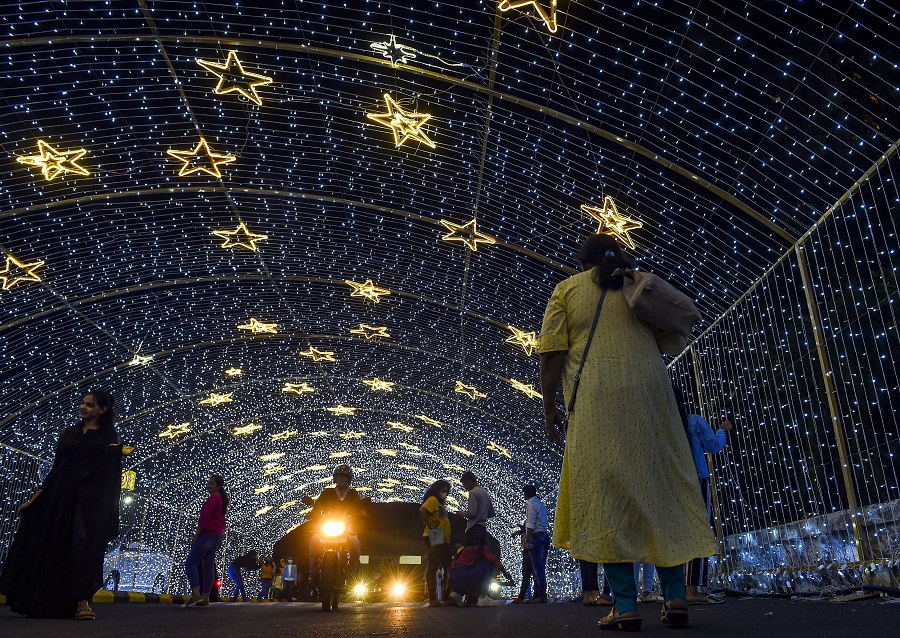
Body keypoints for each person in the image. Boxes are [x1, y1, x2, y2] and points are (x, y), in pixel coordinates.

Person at [539, 234, 717, 631]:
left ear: (581, 262)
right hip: (653, 405)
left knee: (605, 499)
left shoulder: (567, 291)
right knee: (662, 491)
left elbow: (552, 355)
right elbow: (672, 341)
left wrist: (549, 407)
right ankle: (674, 596)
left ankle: (625, 604)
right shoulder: (638, 287)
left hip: (595, 406)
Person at [0, 391, 122, 620]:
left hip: (88, 502)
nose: (83, 407)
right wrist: (34, 501)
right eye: (82, 403)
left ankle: (82, 602)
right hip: (59, 497)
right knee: (53, 544)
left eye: (89, 404)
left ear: (102, 410)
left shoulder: (109, 439)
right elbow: (55, 470)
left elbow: (111, 478)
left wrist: (108, 510)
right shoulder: (69, 434)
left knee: (82, 546)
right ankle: (45, 601)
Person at [683, 411, 733, 604]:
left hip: (672, 481)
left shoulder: (663, 423)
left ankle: (676, 589)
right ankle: (691, 588)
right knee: (699, 529)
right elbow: (713, 445)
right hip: (696, 478)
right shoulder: (693, 421)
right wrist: (722, 430)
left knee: (678, 531)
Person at [303, 464, 367, 587]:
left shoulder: (353, 494)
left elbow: (360, 507)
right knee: (314, 539)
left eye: (344, 477)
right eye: (338, 477)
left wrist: (362, 514)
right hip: (327, 525)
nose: (341, 480)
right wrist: (312, 513)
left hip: (346, 527)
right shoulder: (327, 492)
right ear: (335, 479)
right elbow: (318, 507)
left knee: (355, 544)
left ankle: (353, 575)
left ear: (349, 479)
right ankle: (312, 572)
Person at [183, 474, 229, 608]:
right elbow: (222, 521)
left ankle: (196, 593)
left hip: (207, 535)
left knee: (190, 563)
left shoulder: (213, 499)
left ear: (219, 486)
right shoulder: (222, 500)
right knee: (208, 566)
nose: (209, 485)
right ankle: (205, 597)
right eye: (209, 483)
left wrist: (196, 535)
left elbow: (204, 519)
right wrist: (220, 537)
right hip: (216, 536)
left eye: (212, 484)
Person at [419, 480, 453, 606]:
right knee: (433, 566)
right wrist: (430, 524)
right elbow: (422, 511)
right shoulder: (433, 499)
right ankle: (433, 598)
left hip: (441, 538)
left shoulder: (440, 504)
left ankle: (447, 596)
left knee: (448, 565)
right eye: (443, 490)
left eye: (447, 491)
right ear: (437, 489)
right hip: (435, 536)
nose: (445, 493)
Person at [448, 543, 513, 607]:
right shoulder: (482, 549)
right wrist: (505, 573)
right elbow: (494, 560)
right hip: (468, 579)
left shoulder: (463, 551)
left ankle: (457, 594)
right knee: (489, 562)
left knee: (464, 574)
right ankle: (483, 597)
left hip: (453, 581)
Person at [521, 485, 550, 603]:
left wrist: (527, 540)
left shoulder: (530, 504)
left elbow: (530, 524)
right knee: (540, 566)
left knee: (537, 568)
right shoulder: (541, 504)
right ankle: (537, 594)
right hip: (544, 536)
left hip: (536, 537)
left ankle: (541, 595)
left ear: (526, 494)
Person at [458, 471, 495, 546]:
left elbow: (472, 513)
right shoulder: (485, 493)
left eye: (465, 485)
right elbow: (492, 513)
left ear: (468, 481)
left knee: (471, 553)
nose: (465, 488)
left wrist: (462, 514)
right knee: (480, 554)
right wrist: (482, 513)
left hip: (474, 528)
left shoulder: (473, 492)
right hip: (483, 528)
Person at [510, 524, 533, 603]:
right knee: (533, 573)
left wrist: (518, 532)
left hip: (529, 547)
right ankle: (537, 595)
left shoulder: (531, 514)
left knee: (527, 573)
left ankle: (521, 597)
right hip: (530, 547)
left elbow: (528, 528)